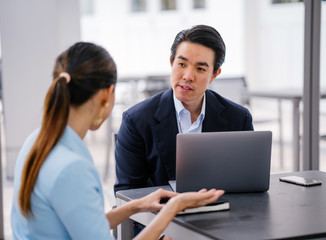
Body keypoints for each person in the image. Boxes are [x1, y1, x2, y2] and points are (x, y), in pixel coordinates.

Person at [10, 42, 224, 240]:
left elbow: (85, 225)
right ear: (108, 94)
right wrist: (171, 208)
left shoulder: (36, 141)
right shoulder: (73, 169)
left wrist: (134, 206)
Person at [114, 25, 254, 192]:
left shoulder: (238, 118)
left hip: (223, 212)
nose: (188, 76)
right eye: (182, 64)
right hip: (161, 215)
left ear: (215, 74)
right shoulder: (136, 121)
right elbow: (127, 192)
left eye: (200, 69)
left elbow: (248, 185)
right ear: (172, 62)